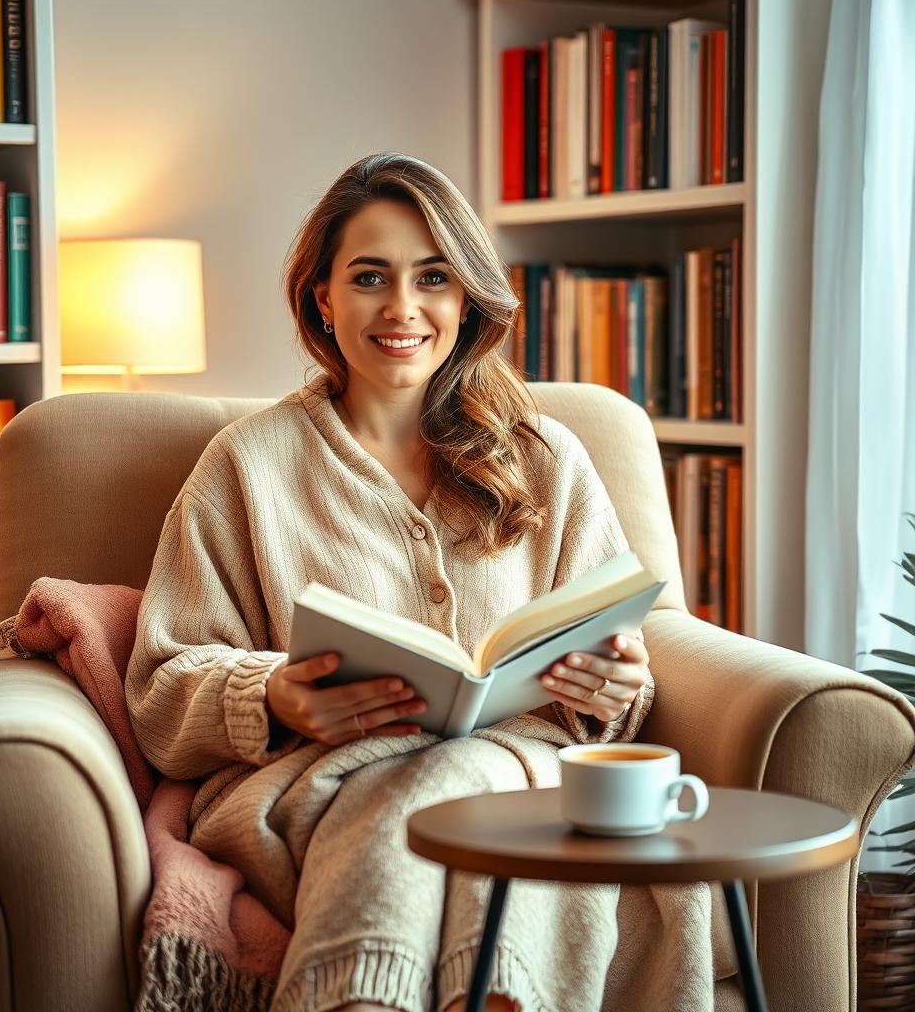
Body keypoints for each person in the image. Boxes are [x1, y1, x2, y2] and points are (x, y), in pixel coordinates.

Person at [125, 152, 715, 1012]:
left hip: (527, 776)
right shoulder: (245, 467)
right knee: (446, 785)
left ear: (465, 295)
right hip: (321, 792)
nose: (402, 308)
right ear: (323, 298)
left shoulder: (548, 459)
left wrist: (615, 683)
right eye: (370, 277)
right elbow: (158, 687)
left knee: (468, 781)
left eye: (432, 277)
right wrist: (274, 698)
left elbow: (619, 662)